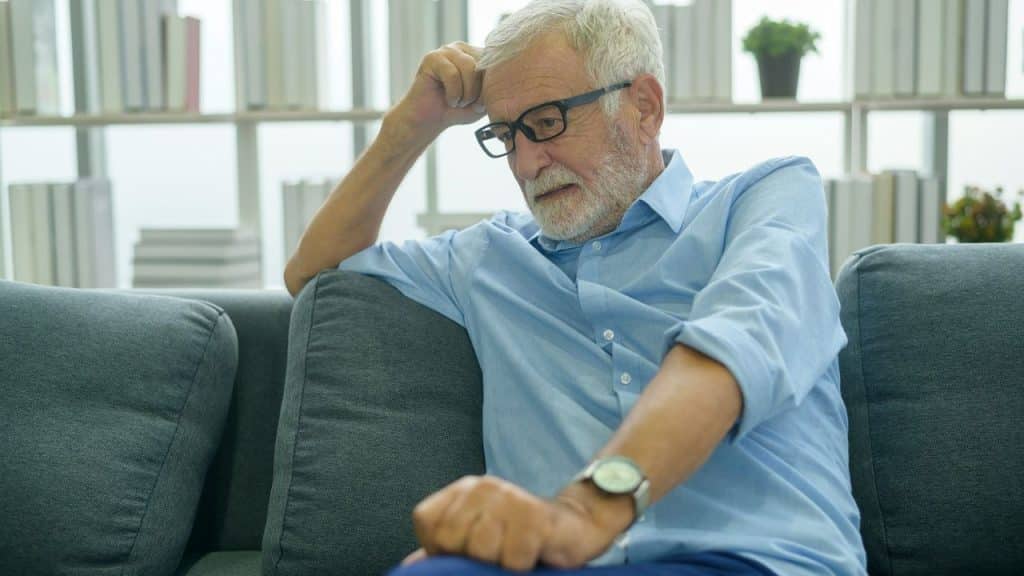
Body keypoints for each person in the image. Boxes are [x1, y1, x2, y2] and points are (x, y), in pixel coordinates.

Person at [284, 1, 866, 574]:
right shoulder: (485, 257)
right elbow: (312, 275)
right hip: (547, 565)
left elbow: (734, 347)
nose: (527, 163)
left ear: (643, 106)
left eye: (546, 123)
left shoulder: (765, 198)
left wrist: (583, 512)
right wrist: (411, 124)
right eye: (506, 135)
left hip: (753, 559)